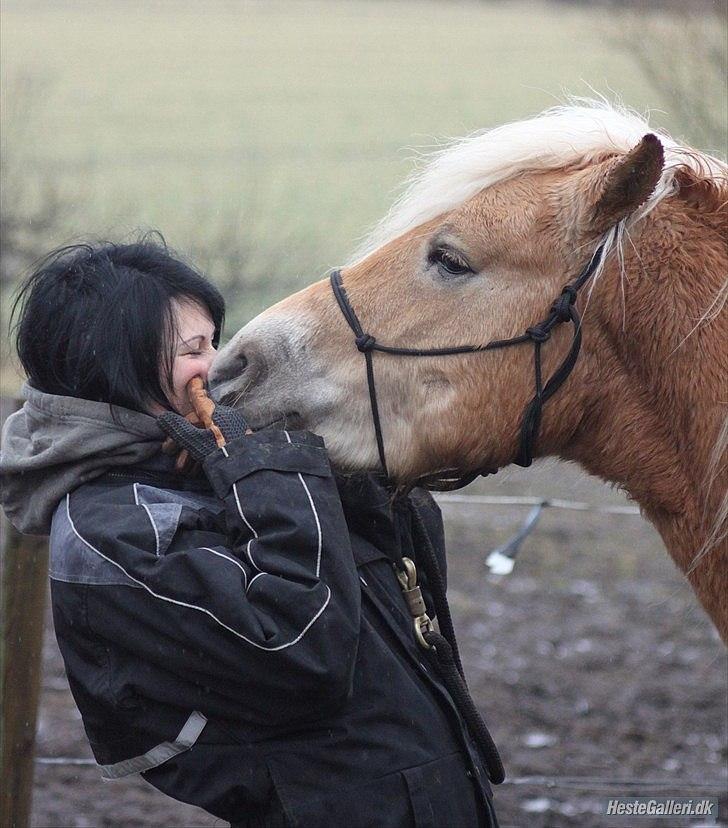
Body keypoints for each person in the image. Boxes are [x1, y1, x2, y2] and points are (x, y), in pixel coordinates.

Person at [0, 236, 500, 827]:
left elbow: (405, 562)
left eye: (214, 339)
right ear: (116, 369)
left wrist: (352, 456)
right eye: (194, 349)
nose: (215, 366)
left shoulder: (206, 461)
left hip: (431, 792)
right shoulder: (114, 533)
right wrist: (266, 469)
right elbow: (300, 645)